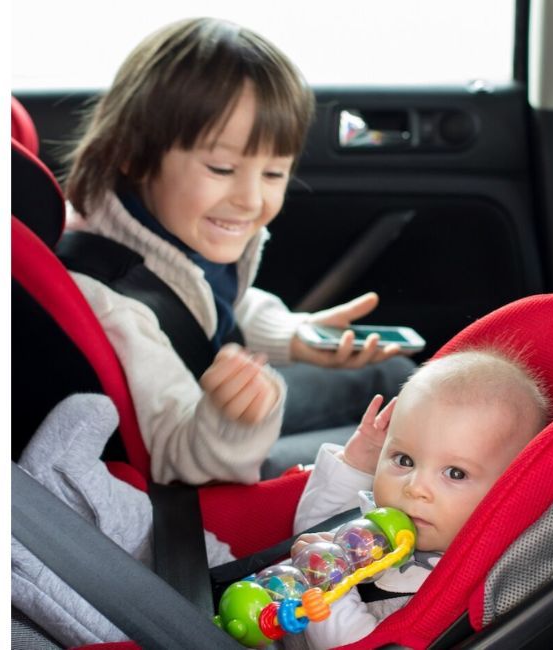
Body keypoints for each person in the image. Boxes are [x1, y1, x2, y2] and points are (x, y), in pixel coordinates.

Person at [62, 17, 414, 486]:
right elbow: (175, 460)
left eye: (273, 174)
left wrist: (292, 335)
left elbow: (211, 299)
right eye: (222, 167)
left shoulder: (166, 229)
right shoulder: (117, 304)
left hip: (222, 407)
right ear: (133, 152)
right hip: (212, 464)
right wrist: (233, 422)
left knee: (395, 377)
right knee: (411, 451)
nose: (251, 200)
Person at [284, 348, 552, 650]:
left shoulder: (459, 591)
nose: (415, 487)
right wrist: (355, 465)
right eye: (404, 460)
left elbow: (359, 644)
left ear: (507, 494)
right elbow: (308, 536)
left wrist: (326, 586)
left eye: (455, 473)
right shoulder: (381, 522)